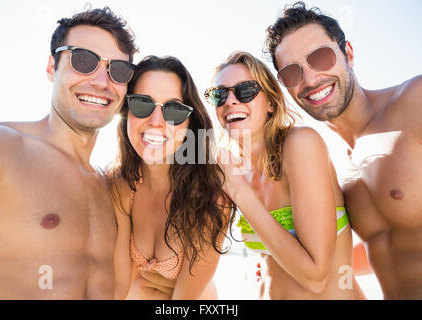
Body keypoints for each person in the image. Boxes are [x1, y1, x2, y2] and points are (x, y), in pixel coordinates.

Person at [0, 7, 137, 299]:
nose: (101, 81)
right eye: (83, 60)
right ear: (52, 67)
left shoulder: (113, 189)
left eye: (119, 71)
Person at [265, 1, 422, 299]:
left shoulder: (414, 101)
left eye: (320, 57)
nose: (310, 80)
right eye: (292, 73)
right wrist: (283, 264)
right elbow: (386, 244)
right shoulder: (330, 159)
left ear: (348, 53)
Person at [205, 51, 365, 299]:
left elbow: (315, 277)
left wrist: (240, 193)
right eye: (219, 95)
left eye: (245, 90)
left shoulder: (300, 144)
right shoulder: (232, 170)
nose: (230, 101)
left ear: (271, 102)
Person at [108, 55, 234, 299]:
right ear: (126, 111)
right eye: (142, 104)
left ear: (190, 124)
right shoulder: (121, 187)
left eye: (174, 110)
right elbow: (118, 288)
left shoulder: (211, 196)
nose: (156, 122)